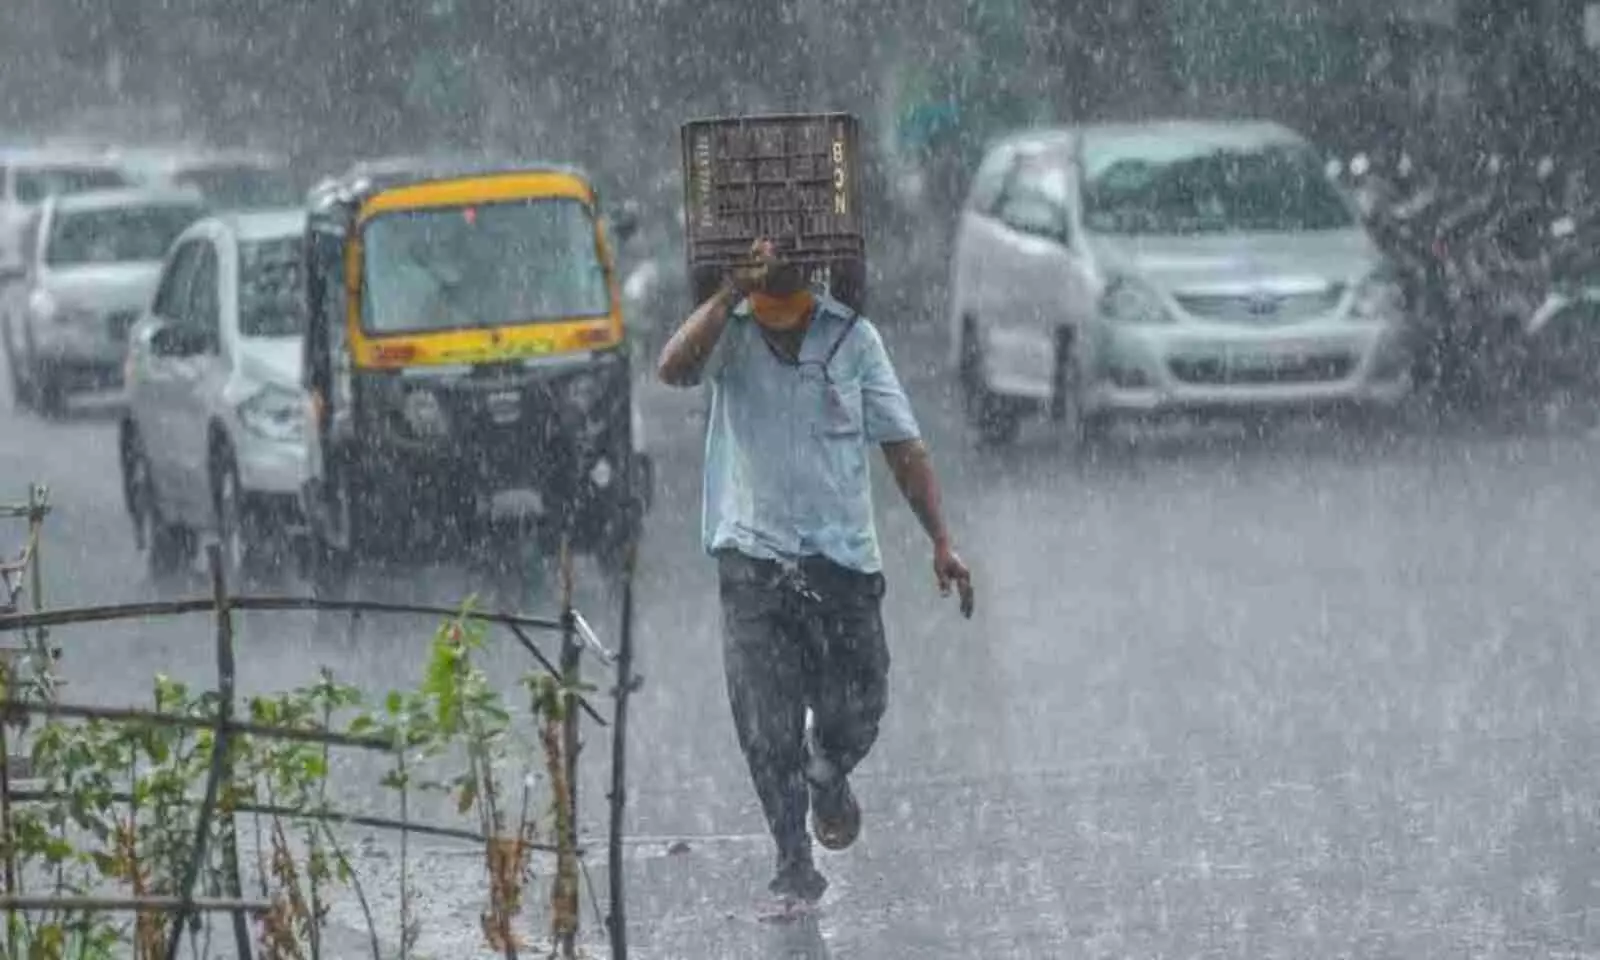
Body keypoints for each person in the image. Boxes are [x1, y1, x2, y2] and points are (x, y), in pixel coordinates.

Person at [656, 239, 975, 912]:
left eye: (787, 247)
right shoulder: (731, 334)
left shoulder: (853, 339)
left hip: (842, 563)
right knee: (764, 727)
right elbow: (674, 369)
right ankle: (793, 862)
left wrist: (941, 540)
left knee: (860, 705)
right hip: (754, 561)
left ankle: (827, 767)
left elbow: (903, 444)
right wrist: (727, 295)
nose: (776, 257)